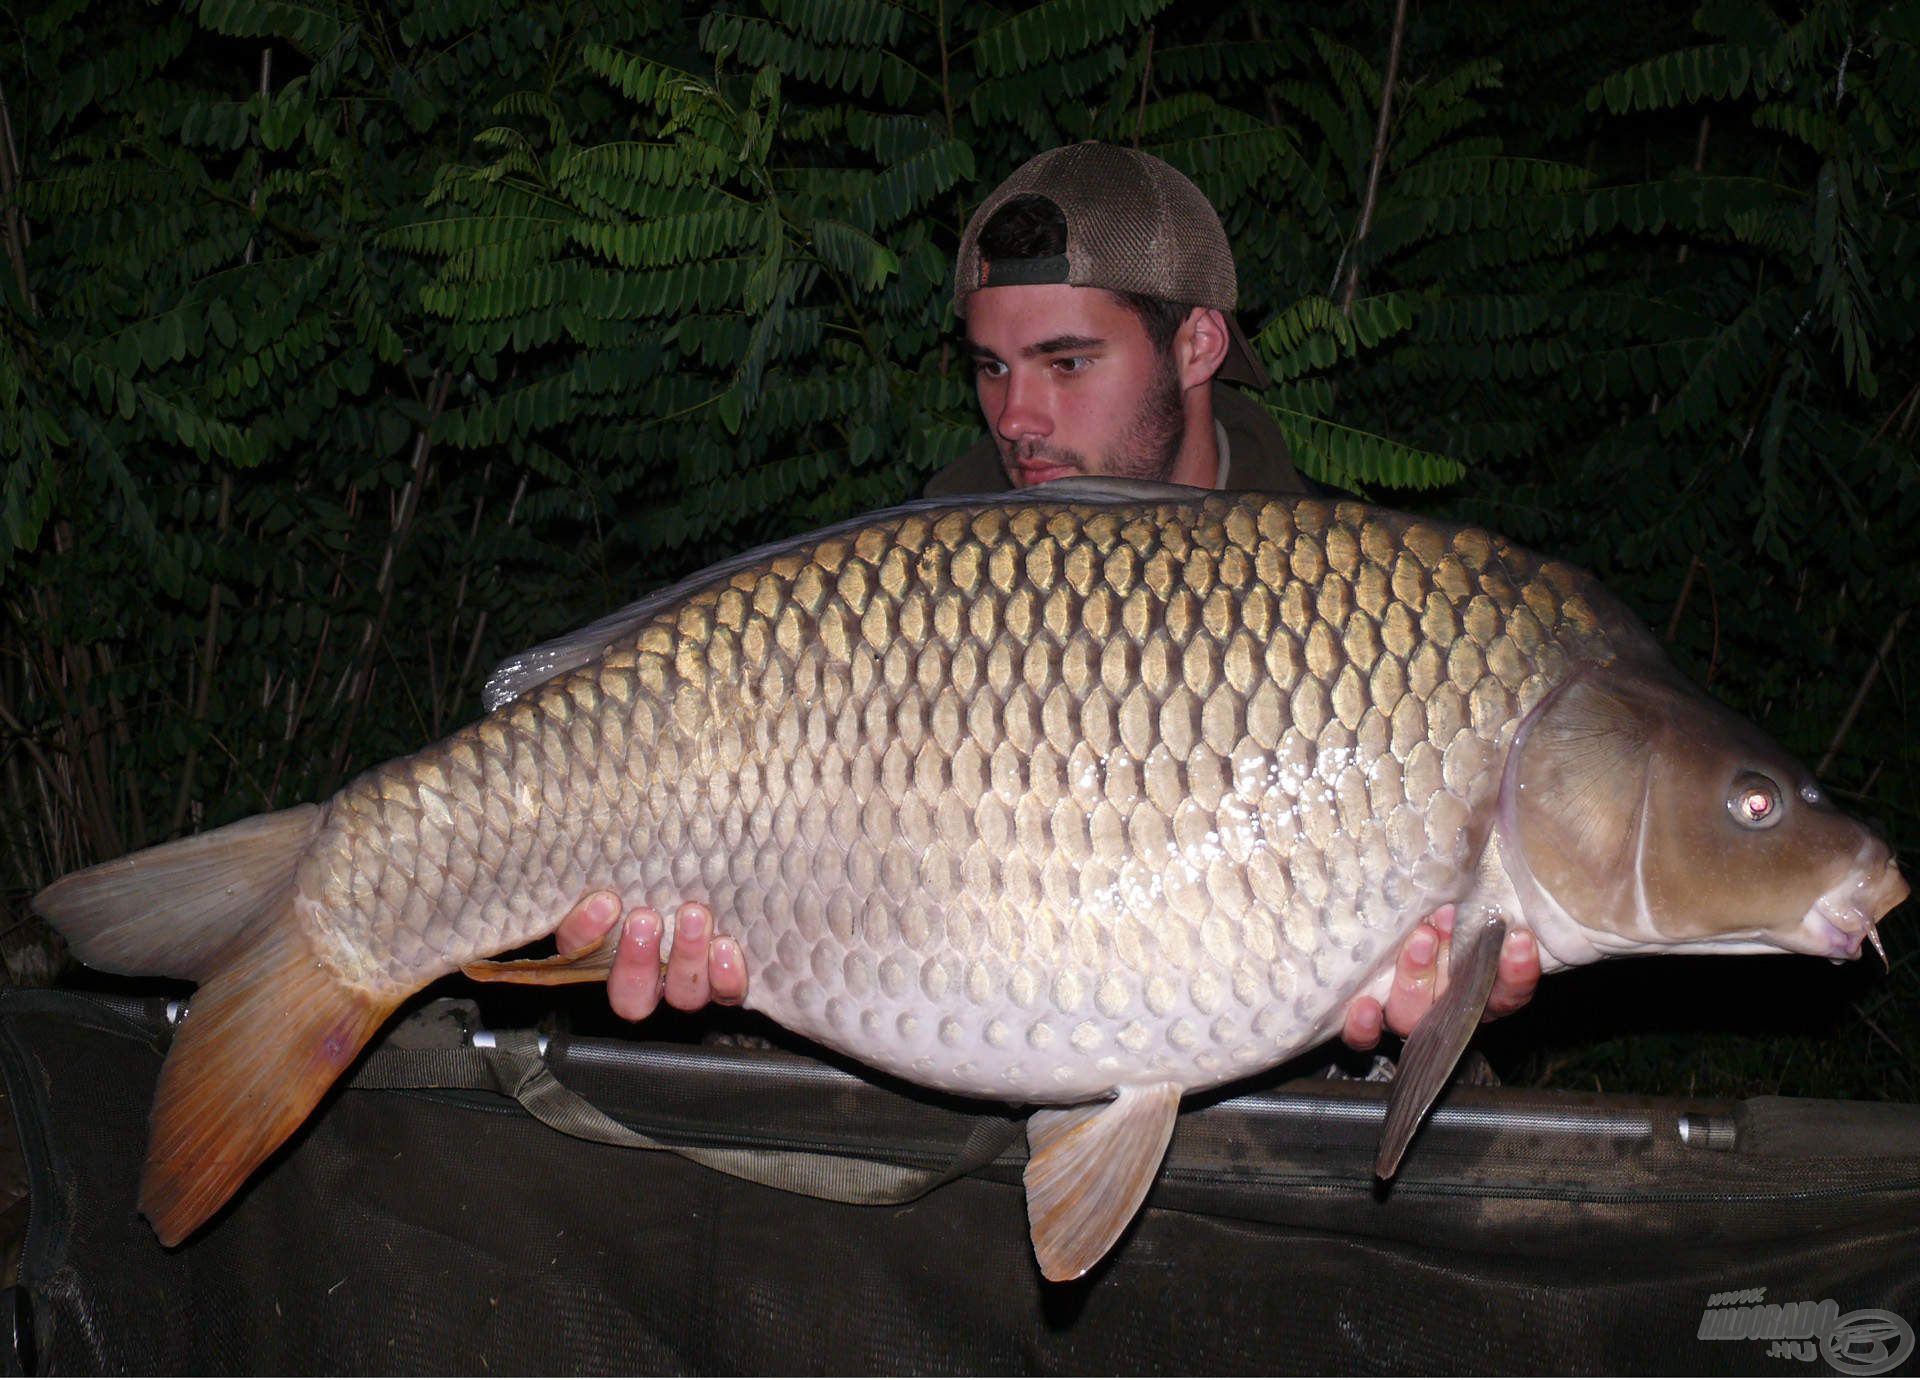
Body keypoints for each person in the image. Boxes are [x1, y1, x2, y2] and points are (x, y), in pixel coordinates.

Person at [553, 142, 1540, 1053]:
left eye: (1067, 362)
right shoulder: (888, 602)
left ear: (1197, 346)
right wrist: (730, 975)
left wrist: (1445, 999)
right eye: (992, 367)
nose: (1017, 417)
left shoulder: (1369, 622)